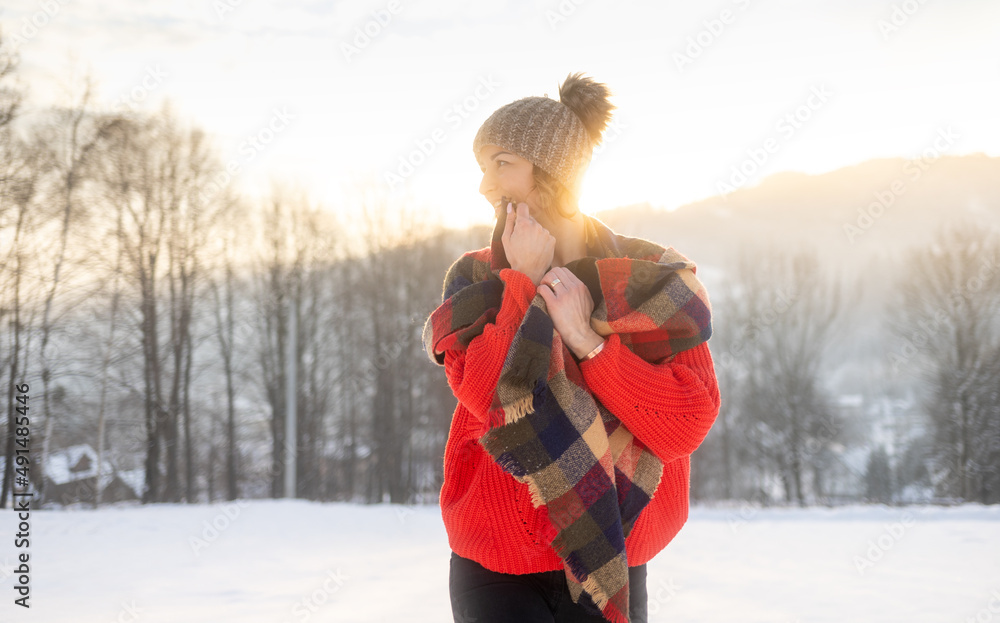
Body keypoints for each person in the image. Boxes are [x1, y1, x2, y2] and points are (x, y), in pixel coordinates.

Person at [422, 72, 721, 623]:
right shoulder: (476, 280)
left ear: (553, 168)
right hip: (496, 562)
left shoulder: (654, 281)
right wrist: (521, 283)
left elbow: (685, 424)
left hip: (611, 547)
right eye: (481, 168)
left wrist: (588, 341)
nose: (486, 187)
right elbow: (489, 395)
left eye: (501, 163)